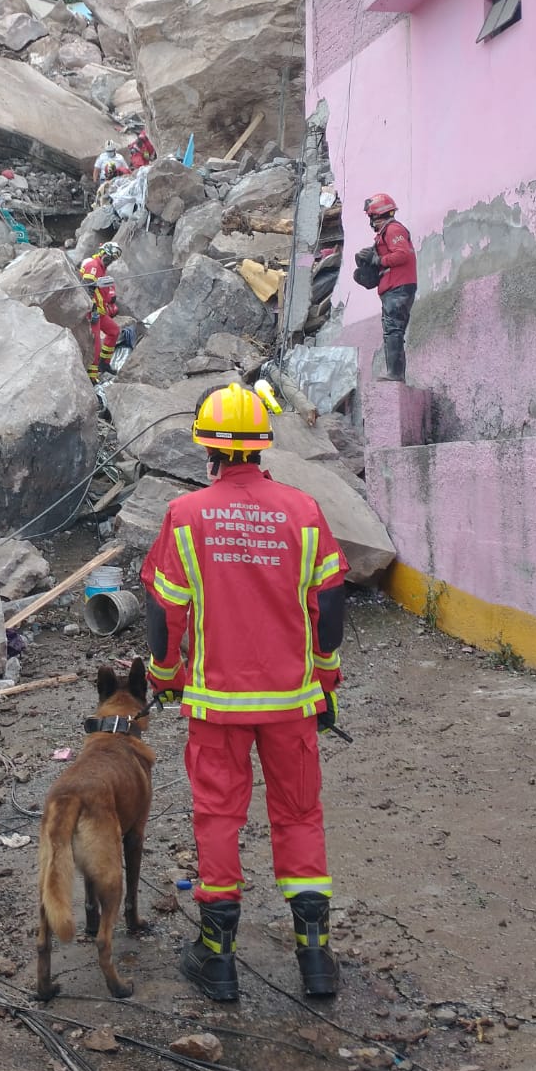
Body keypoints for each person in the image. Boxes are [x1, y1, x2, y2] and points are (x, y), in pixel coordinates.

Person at [141, 380, 348, 1003]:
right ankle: (315, 958)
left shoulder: (186, 516)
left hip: (215, 706)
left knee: (218, 817)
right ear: (261, 449)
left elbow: (163, 607)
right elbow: (331, 599)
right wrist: (324, 673)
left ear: (209, 452)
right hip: (292, 702)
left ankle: (217, 956)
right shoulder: (304, 511)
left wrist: (164, 676)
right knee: (299, 815)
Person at [363, 192, 417, 383]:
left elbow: (402, 254)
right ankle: (395, 373)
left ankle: (395, 374)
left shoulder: (393, 230)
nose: (371, 222)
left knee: (393, 330)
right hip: (394, 287)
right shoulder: (387, 232)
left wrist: (379, 261)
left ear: (377, 215)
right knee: (392, 330)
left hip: (399, 287)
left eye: (371, 217)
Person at [79, 242, 123, 383]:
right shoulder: (93, 266)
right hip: (92, 312)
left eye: (112, 260)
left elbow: (103, 289)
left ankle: (104, 363)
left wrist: (110, 299)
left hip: (99, 310)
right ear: (102, 253)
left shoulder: (102, 268)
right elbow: (86, 286)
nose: (110, 261)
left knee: (114, 331)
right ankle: (92, 376)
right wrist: (91, 307)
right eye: (109, 258)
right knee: (96, 344)